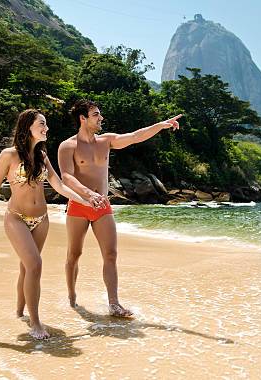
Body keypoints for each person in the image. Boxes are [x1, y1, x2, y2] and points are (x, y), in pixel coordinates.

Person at [0, 109, 90, 339]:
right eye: (42, 124)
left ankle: (20, 312)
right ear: (27, 127)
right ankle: (35, 323)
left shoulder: (42, 156)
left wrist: (84, 200)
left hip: (41, 220)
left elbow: (59, 186)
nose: (46, 128)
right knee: (35, 265)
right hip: (16, 218)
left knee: (27, 267)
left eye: (46, 125)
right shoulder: (8, 155)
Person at [58, 99, 181, 317]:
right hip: (79, 205)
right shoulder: (68, 146)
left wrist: (161, 125)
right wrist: (88, 194)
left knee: (111, 254)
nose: (101, 118)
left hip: (102, 206)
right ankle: (71, 296)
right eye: (96, 114)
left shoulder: (106, 141)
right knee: (74, 254)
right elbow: (66, 177)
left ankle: (114, 304)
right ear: (82, 118)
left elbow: (135, 136)